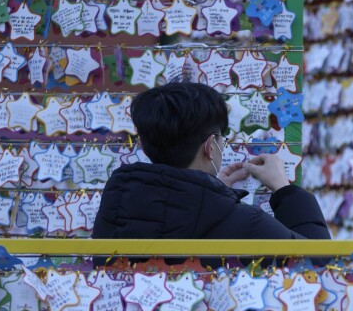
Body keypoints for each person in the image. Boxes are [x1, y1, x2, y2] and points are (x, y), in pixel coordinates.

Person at [92, 81, 330, 249]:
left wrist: (212, 190)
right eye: (220, 139)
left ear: (145, 146)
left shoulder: (116, 207)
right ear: (210, 146)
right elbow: (317, 265)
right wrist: (284, 189)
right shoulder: (246, 223)